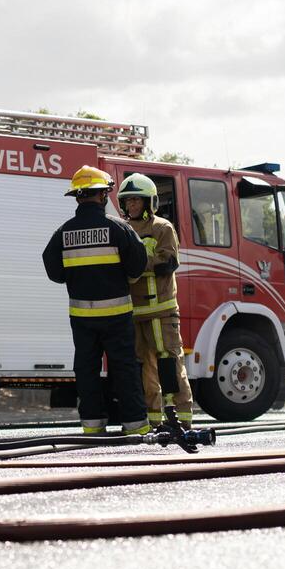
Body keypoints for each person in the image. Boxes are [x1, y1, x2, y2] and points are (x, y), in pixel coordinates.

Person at [42, 166, 150, 435]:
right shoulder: (119, 228)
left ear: (78, 197)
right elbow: (138, 265)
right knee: (124, 368)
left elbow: (54, 272)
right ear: (103, 196)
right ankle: (135, 425)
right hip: (117, 315)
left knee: (86, 370)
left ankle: (92, 426)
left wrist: (79, 278)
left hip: (82, 318)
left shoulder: (63, 233)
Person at [118, 172, 194, 429]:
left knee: (169, 361)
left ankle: (182, 418)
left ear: (149, 202)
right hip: (135, 311)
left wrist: (137, 264)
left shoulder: (162, 228)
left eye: (136, 201)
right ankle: (154, 420)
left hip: (161, 310)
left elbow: (169, 261)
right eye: (128, 202)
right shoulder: (123, 229)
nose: (132, 206)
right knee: (145, 368)